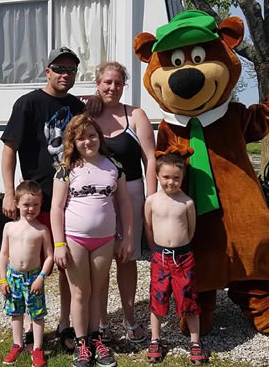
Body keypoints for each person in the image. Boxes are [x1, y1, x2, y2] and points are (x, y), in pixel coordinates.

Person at [1, 46, 101, 352]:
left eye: (71, 70)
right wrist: (8, 192)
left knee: (65, 263)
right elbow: (9, 149)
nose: (65, 75)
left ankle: (65, 323)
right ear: (47, 71)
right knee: (32, 264)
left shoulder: (76, 105)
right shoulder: (28, 103)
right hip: (36, 201)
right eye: (59, 69)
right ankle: (30, 326)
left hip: (71, 201)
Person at [51, 114, 133, 367]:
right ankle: (81, 343)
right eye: (81, 138)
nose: (88, 141)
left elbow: (124, 204)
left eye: (92, 135)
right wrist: (59, 244)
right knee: (80, 292)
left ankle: (97, 337)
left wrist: (127, 237)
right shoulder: (66, 169)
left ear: (100, 137)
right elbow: (56, 208)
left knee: (98, 291)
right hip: (75, 239)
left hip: (105, 240)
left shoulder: (113, 166)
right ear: (72, 142)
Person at [94, 61, 156, 343]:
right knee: (101, 260)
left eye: (118, 83)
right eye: (107, 82)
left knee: (127, 257)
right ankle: (103, 323)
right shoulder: (89, 116)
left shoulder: (135, 115)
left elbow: (150, 160)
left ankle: (130, 320)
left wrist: (152, 200)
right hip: (98, 197)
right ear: (97, 84)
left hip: (131, 192)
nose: (112, 87)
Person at [144, 153, 208, 365]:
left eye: (176, 178)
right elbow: (148, 227)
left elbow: (191, 230)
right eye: (166, 177)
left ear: (182, 178)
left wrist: (179, 248)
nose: (171, 182)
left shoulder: (187, 202)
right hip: (160, 258)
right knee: (157, 299)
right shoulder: (151, 201)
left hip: (183, 259)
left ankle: (195, 342)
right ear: (157, 175)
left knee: (188, 299)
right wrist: (157, 250)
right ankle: (155, 339)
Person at [0, 180, 53, 367]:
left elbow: (49, 257)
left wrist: (41, 278)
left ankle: (37, 348)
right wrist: (2, 279)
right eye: (26, 205)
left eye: (35, 204)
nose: (31, 209)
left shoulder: (42, 230)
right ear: (16, 204)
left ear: (41, 204)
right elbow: (4, 254)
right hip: (13, 277)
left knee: (37, 314)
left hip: (33, 278)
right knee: (16, 313)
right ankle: (17, 344)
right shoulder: (9, 228)